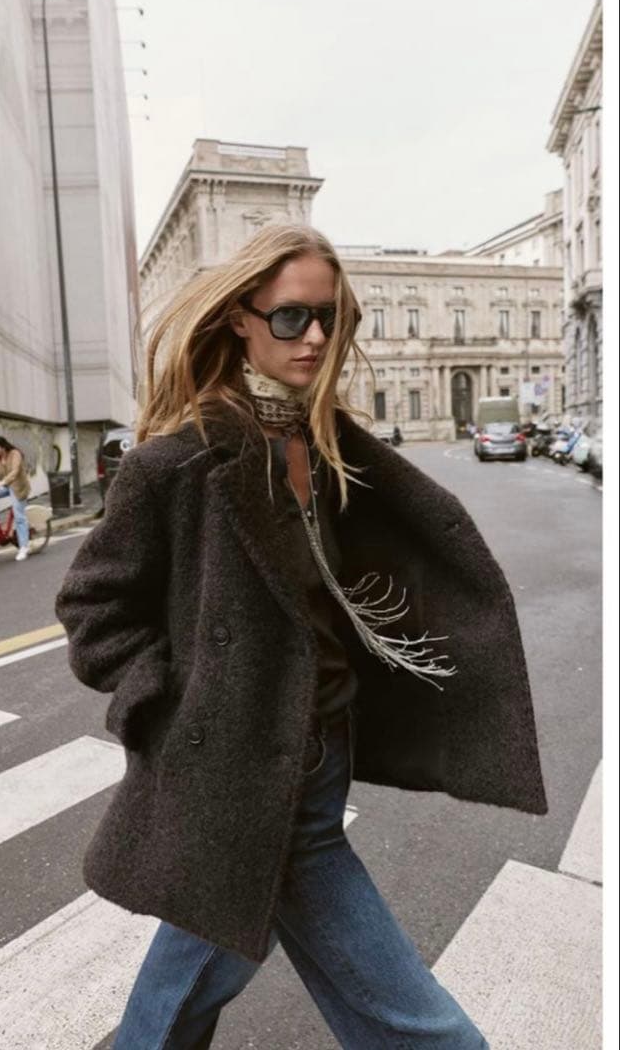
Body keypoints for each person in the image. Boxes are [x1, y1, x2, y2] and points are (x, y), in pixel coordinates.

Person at [55, 225, 547, 1048]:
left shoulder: (324, 450)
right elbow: (92, 609)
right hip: (240, 763)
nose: (314, 336)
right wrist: (176, 712)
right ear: (240, 319)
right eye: (291, 317)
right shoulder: (174, 465)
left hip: (320, 745)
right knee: (420, 1025)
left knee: (204, 953)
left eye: (329, 317)